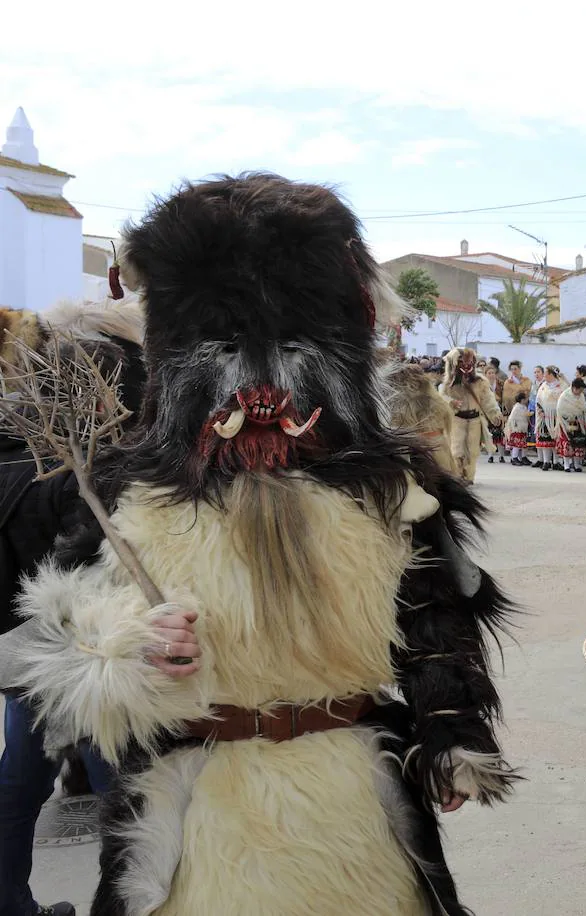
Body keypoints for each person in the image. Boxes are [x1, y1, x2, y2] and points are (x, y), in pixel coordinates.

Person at [0, 175, 514, 916]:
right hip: (197, 818)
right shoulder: (126, 495)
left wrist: (450, 733)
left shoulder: (392, 491)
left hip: (355, 815)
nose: (260, 390)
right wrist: (126, 648)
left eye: (295, 354)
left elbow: (435, 624)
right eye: (227, 352)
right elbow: (45, 653)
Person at [0, 304, 144, 916]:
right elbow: (91, 567)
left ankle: (9, 903)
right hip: (80, 654)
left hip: (19, 647)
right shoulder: (80, 468)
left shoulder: (15, 452)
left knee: (20, 781)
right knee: (118, 783)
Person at [442, 346, 504, 481]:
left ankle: (469, 477)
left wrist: (495, 414)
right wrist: (450, 402)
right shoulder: (448, 384)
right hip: (457, 420)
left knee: (473, 452)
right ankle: (458, 476)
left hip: (475, 420)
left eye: (468, 363)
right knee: (457, 451)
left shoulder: (480, 382)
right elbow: (441, 398)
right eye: (461, 363)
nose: (465, 366)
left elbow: (488, 399)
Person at [555, 376, 586, 472]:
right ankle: (566, 465)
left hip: (579, 423)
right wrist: (570, 417)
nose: (580, 392)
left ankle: (577, 465)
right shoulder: (565, 396)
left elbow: (584, 409)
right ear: (575, 388)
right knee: (567, 443)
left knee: (578, 444)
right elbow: (560, 409)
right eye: (579, 390)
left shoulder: (581, 396)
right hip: (566, 424)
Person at [534, 365, 566, 471]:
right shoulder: (543, 386)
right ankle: (546, 461)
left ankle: (556, 462)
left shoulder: (562, 386)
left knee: (555, 440)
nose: (544, 375)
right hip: (544, 416)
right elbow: (538, 400)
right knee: (545, 439)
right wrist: (540, 411)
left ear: (552, 374)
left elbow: (565, 400)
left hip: (556, 417)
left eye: (546, 373)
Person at [504, 391, 531, 465]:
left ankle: (522, 457)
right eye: (526, 398)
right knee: (516, 444)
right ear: (522, 400)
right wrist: (514, 427)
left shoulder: (524, 407)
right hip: (517, 429)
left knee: (522, 444)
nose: (527, 400)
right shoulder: (517, 407)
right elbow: (512, 418)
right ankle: (514, 458)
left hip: (523, 428)